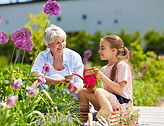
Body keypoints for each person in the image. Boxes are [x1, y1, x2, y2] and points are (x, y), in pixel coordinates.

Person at [78, 35, 133, 122]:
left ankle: (108, 119)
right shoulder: (104, 68)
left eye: (103, 48)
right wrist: (91, 89)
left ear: (114, 50)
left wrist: (102, 77)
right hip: (110, 103)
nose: (99, 51)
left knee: (99, 91)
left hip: (122, 104)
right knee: (82, 92)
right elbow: (107, 92)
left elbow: (119, 90)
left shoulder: (122, 65)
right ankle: (84, 121)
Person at [31, 24, 84, 96]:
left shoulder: (74, 56)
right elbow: (34, 75)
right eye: (57, 43)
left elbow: (79, 81)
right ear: (48, 45)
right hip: (49, 96)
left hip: (70, 97)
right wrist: (56, 82)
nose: (62, 45)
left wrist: (75, 87)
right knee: (53, 78)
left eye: (63, 41)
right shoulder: (43, 56)